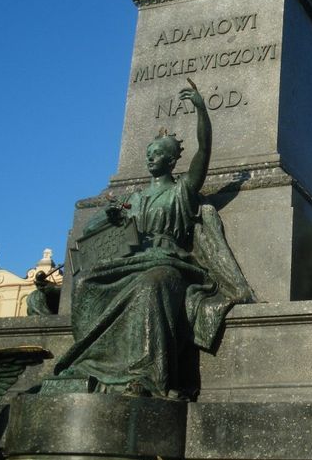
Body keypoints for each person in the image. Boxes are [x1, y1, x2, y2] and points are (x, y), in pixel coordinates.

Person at [54, 82, 255, 398]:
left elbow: (203, 151)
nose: (151, 158)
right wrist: (109, 216)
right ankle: (86, 363)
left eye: (158, 154)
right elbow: (97, 232)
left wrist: (202, 110)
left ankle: (146, 377)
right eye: (149, 154)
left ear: (172, 160)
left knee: (152, 285)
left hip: (170, 262)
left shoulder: (181, 192)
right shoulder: (133, 198)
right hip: (133, 260)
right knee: (85, 285)